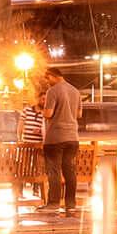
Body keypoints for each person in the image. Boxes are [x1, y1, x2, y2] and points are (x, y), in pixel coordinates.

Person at [36, 64, 83, 212]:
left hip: (55, 137)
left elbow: (49, 113)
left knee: (54, 171)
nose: (47, 81)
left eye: (48, 78)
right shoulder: (75, 91)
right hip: (72, 137)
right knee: (69, 170)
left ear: (53, 76)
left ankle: (53, 203)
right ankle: (70, 203)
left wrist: (41, 111)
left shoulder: (53, 91)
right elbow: (79, 115)